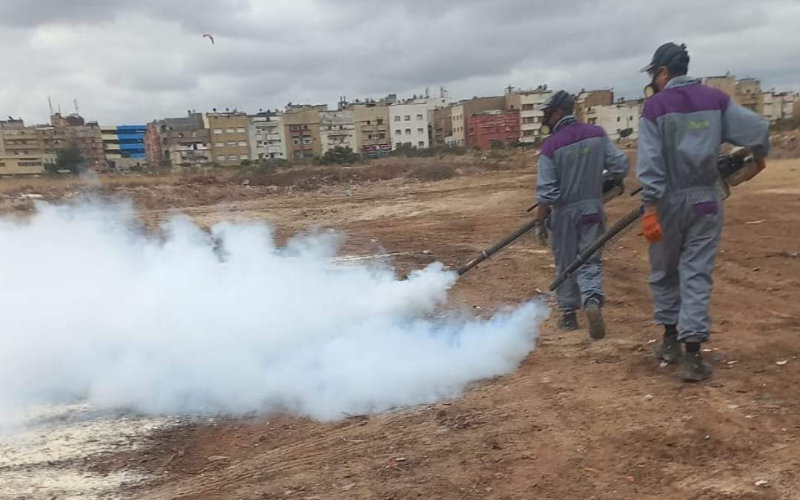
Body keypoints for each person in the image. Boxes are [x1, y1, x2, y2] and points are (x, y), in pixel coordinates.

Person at [637, 43, 769, 381]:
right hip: (706, 201)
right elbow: (758, 130)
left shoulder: (655, 107)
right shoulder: (716, 99)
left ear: (664, 72)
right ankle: (692, 356)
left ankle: (669, 342)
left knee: (664, 271)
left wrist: (650, 207)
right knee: (696, 273)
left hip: (667, 202)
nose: (654, 80)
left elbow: (650, 163)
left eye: (655, 74)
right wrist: (760, 155)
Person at [534, 90, 629, 339]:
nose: (545, 119)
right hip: (592, 210)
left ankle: (568, 316)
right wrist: (605, 182)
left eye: (546, 113)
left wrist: (539, 221)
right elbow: (619, 166)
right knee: (590, 258)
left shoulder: (550, 147)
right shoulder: (597, 134)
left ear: (557, 112)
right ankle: (591, 300)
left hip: (564, 213)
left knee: (566, 263)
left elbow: (546, 193)